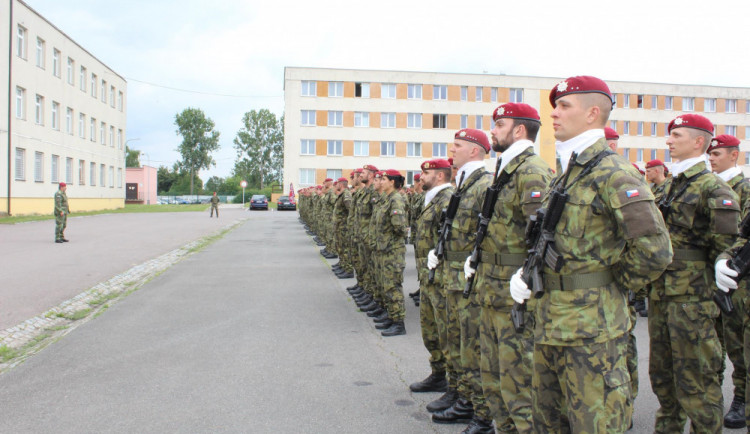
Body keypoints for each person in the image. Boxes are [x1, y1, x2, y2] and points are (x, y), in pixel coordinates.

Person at [509, 75, 672, 432]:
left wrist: (609, 287)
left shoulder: (614, 173)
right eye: (554, 107)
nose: (554, 114)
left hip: (591, 333)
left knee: (594, 425)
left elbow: (655, 250)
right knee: (548, 423)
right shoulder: (565, 175)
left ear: (592, 113)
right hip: (550, 322)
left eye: (564, 106)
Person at [462, 103, 552, 433]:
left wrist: (527, 276)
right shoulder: (506, 170)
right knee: (494, 381)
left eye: (499, 124)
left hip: (514, 294)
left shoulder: (531, 172)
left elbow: (542, 237)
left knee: (519, 388)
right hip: (491, 288)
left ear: (519, 131)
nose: (493, 130)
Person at [649, 114, 739, 433]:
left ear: (699, 141)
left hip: (693, 301)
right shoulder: (668, 186)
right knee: (663, 381)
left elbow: (730, 244)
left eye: (677, 135)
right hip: (660, 297)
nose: (669, 140)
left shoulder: (713, 187)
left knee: (697, 384)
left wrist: (723, 266)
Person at [428, 128, 493, 431]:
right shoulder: (463, 184)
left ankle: (479, 409)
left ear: (475, 150)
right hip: (450, 276)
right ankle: (460, 394)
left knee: (472, 347)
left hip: (469, 280)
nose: (451, 150)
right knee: (455, 341)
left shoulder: (484, 185)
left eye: (457, 145)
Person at [707, 133, 750, 428]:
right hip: (713, 275)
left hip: (739, 279)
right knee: (715, 342)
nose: (712, 157)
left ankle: (741, 397)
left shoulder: (744, 188)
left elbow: (742, 237)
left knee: (738, 345)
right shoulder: (711, 187)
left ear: (734, 155)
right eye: (710, 153)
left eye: (718, 153)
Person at [409, 159, 454, 397]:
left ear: (439, 176)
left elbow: (451, 239)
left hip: (441, 277)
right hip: (428, 276)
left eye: (425, 173)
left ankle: (454, 386)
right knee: (430, 329)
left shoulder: (446, 199)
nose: (421, 177)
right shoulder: (433, 199)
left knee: (445, 332)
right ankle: (438, 375)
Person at [373, 169, 409, 336]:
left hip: (393, 250)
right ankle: (391, 315)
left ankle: (398, 322)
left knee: (392, 286)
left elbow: (400, 228)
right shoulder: (387, 199)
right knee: (385, 284)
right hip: (384, 249)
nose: (381, 181)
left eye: (385, 179)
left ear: (392, 182)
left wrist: (390, 242)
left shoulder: (396, 200)